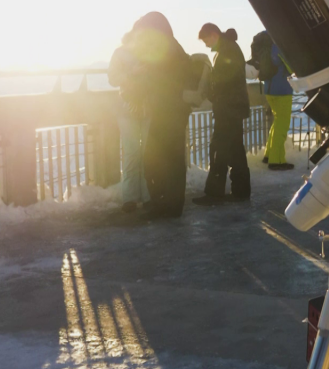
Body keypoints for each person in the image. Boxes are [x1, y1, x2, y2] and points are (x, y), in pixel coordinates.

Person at [130, 12, 190, 219]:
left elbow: (160, 81)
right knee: (169, 160)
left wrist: (139, 75)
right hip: (171, 111)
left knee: (158, 159)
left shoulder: (165, 49)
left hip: (168, 112)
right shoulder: (171, 46)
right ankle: (169, 205)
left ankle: (165, 205)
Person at [193, 23, 251, 204]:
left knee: (218, 149)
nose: (207, 46)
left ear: (213, 35)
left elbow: (223, 81)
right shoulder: (229, 48)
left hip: (228, 108)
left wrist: (210, 91)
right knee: (235, 150)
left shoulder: (227, 51)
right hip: (233, 107)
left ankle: (214, 193)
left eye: (206, 41)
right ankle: (241, 191)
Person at [107, 29, 149, 213]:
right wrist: (132, 72)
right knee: (133, 152)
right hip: (128, 107)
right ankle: (132, 197)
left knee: (146, 152)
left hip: (145, 107)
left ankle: (145, 195)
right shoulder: (120, 53)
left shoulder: (148, 54)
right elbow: (113, 78)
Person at [252, 31, 295, 171]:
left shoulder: (267, 47)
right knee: (282, 126)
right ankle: (277, 161)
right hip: (282, 90)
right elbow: (291, 67)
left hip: (269, 90)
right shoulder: (278, 47)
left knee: (277, 123)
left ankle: (269, 155)